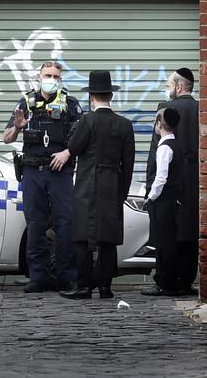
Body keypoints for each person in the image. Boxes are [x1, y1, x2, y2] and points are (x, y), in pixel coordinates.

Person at [54, 71, 135, 300]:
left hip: (88, 183)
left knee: (82, 237)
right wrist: (122, 191)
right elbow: (127, 163)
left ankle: (83, 286)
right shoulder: (125, 125)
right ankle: (105, 287)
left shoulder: (86, 121)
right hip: (113, 184)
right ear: (111, 95)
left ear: (91, 97)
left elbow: (74, 146)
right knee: (108, 238)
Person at [3, 61, 82, 293]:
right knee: (35, 223)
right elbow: (6, 138)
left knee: (65, 223)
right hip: (32, 171)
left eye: (56, 76)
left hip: (60, 171)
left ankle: (67, 276)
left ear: (61, 79)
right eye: (48, 75)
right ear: (39, 76)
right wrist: (18, 127)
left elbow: (83, 136)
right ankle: (38, 276)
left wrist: (67, 152)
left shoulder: (70, 103)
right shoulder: (26, 102)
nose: (52, 79)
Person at [145, 67, 199, 296]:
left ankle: (164, 279)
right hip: (193, 179)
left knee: (165, 232)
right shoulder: (200, 109)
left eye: (168, 86)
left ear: (178, 87)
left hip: (169, 182)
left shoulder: (165, 110)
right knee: (189, 229)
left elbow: (154, 151)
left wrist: (151, 186)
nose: (167, 91)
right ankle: (185, 279)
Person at [141, 108, 182, 296]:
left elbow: (160, 178)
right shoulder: (176, 144)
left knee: (163, 244)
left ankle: (164, 282)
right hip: (173, 201)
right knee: (169, 242)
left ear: (159, 124)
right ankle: (170, 280)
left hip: (163, 202)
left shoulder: (164, 147)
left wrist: (150, 197)